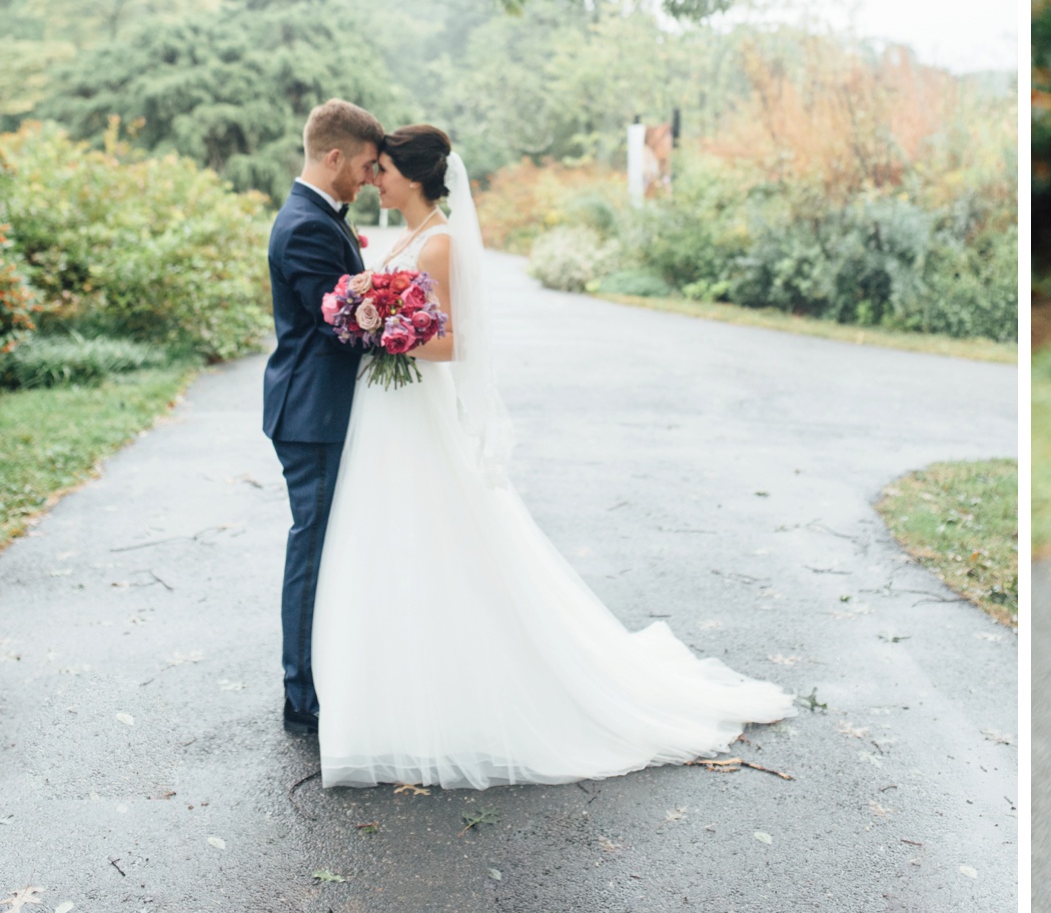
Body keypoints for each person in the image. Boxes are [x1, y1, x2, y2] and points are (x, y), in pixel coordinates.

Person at [309, 124, 792, 788]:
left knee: (438, 534)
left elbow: (457, 344)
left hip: (416, 404)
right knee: (391, 540)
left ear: (413, 179)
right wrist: (367, 316)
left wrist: (387, 335)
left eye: (384, 171)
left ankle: (448, 700)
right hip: (389, 410)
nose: (375, 180)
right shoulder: (408, 238)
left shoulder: (442, 243)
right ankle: (395, 690)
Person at [263, 98, 384, 737]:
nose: (369, 178)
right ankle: (302, 696)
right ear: (333, 156)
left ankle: (316, 679)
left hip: (319, 407)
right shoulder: (308, 224)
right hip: (313, 413)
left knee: (325, 545)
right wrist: (397, 317)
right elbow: (340, 324)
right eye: (365, 166)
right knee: (311, 549)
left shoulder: (319, 215)